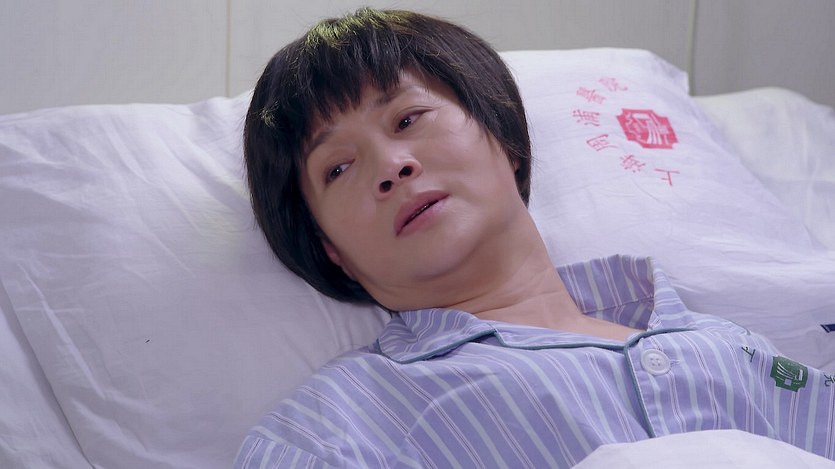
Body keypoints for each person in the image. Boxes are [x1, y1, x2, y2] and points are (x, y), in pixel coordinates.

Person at [235, 8, 834, 468]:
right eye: (338, 168)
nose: (391, 166)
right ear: (331, 251)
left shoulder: (730, 348)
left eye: (408, 119)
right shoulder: (335, 429)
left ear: (505, 137)